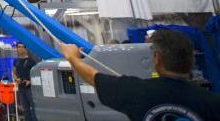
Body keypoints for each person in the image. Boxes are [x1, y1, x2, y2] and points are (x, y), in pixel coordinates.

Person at [59, 31, 220, 121]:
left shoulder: (137, 91)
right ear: (192, 60)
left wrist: (72, 57)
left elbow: (92, 77)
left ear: (157, 59)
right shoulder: (212, 102)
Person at [13, 43, 38, 121]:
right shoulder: (16, 61)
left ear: (26, 49)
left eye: (22, 47)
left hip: (30, 88)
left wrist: (30, 81)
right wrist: (16, 79)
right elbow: (14, 72)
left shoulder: (31, 61)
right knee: (25, 109)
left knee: (34, 108)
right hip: (21, 88)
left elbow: (36, 74)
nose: (20, 49)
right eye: (19, 47)